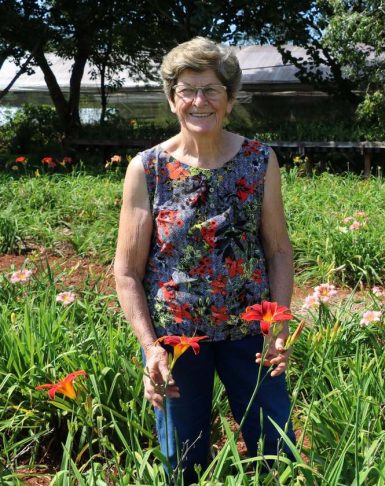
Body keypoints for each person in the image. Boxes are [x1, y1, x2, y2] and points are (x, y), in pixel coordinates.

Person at [114, 37, 296, 483]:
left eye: (212, 89)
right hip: (176, 340)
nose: (199, 101)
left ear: (229, 99)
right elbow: (127, 272)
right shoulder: (148, 168)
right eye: (187, 90)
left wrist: (279, 326)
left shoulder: (258, 160)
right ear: (172, 99)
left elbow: (277, 249)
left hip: (250, 334)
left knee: (276, 452)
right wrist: (150, 348)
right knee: (184, 462)